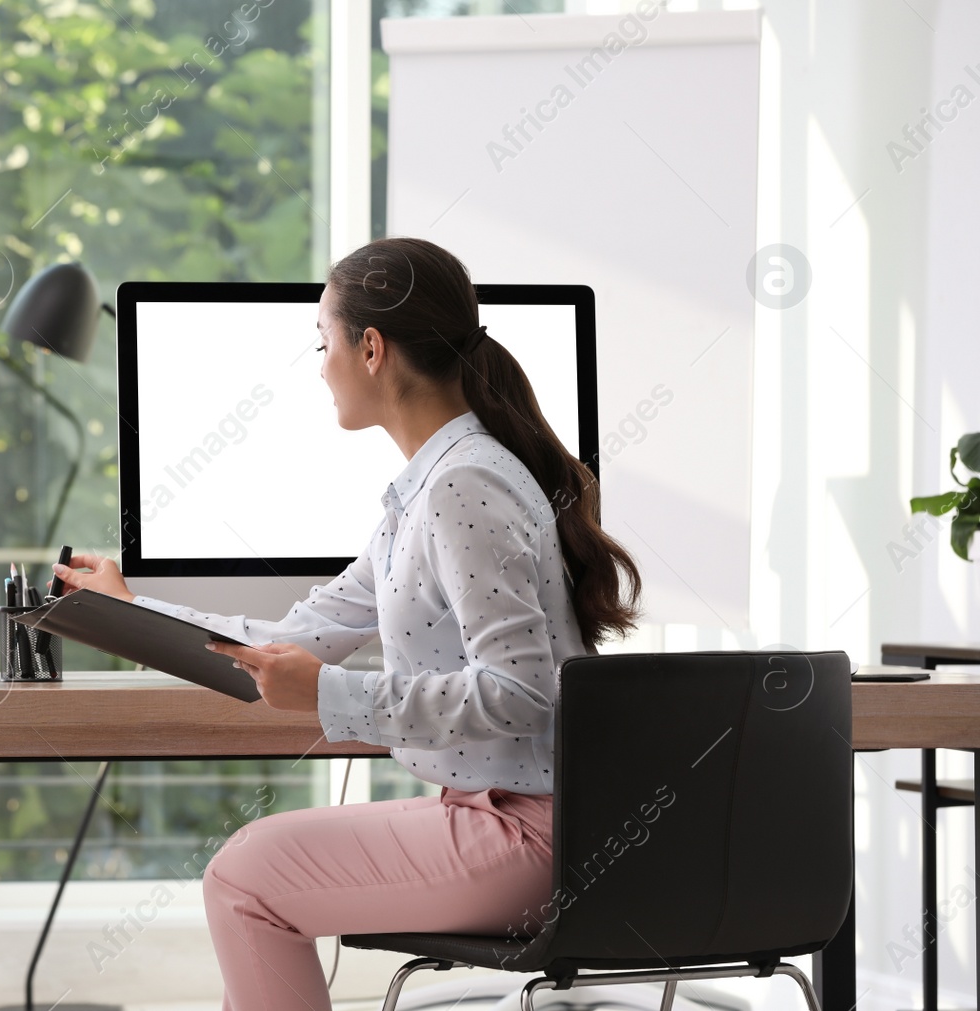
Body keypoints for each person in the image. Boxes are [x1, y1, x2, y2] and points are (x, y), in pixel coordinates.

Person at [49, 237, 643, 1011]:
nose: (319, 363)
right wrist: (127, 609)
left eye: (322, 341)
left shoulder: (463, 483)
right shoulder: (430, 487)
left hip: (531, 836)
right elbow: (291, 637)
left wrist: (335, 695)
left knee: (243, 876)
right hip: (500, 817)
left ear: (371, 347)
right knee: (248, 871)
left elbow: (523, 691)